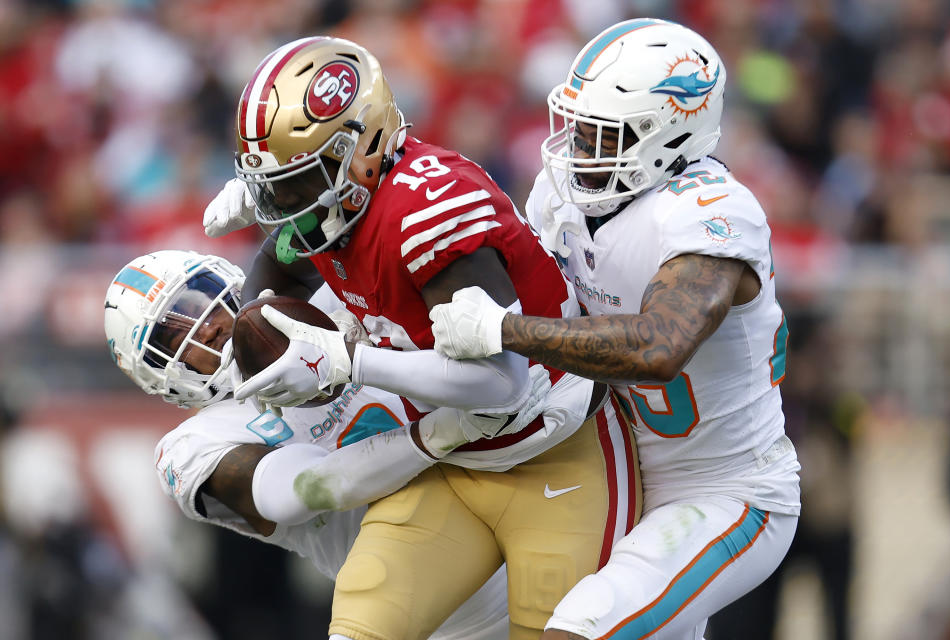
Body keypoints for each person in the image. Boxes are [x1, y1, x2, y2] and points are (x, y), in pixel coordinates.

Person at [202, 36, 641, 640]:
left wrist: (349, 361)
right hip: (455, 463)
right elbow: (282, 260)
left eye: (296, 184)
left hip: (555, 449)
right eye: (273, 187)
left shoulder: (426, 209)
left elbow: (502, 383)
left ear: (363, 149)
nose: (284, 206)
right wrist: (259, 312)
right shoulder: (341, 209)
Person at [428, 18, 802, 640]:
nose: (577, 150)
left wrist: (504, 328)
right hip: (610, 476)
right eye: (575, 128)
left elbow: (658, 346)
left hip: (724, 491)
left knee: (578, 629)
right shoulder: (566, 194)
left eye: (601, 135)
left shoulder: (708, 213)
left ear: (668, 135)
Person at [103, 248, 554, 639]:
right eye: (172, 332)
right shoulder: (194, 444)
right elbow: (301, 490)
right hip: (445, 618)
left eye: (199, 298)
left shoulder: (322, 304)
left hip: (526, 513)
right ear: (155, 372)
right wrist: (442, 431)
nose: (203, 325)